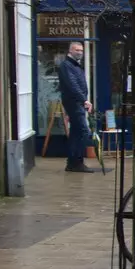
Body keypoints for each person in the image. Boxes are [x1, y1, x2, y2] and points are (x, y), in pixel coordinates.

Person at [58, 42, 94, 173]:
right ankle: (77, 162)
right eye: (77, 50)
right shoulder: (67, 66)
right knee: (84, 131)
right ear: (70, 51)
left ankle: (73, 163)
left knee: (75, 132)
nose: (80, 52)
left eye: (81, 50)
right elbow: (72, 85)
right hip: (74, 103)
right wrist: (84, 100)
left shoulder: (75, 65)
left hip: (77, 103)